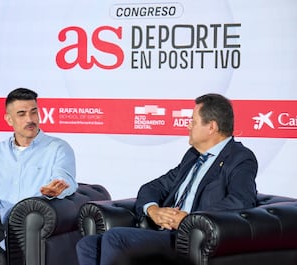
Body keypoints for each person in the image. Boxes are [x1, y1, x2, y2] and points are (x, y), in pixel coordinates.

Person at [76, 93, 258, 265]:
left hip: (191, 238)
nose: (188, 126)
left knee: (115, 238)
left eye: (193, 122)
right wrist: (153, 210)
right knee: (88, 245)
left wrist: (190, 219)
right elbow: (154, 187)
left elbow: (241, 200)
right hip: (166, 232)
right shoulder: (193, 156)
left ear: (211, 127)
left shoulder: (240, 158)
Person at [0, 88, 77, 264]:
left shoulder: (57, 149)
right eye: (22, 114)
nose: (30, 119)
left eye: (34, 112)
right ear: (9, 119)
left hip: (25, 230)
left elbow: (65, 179)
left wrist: (55, 190)